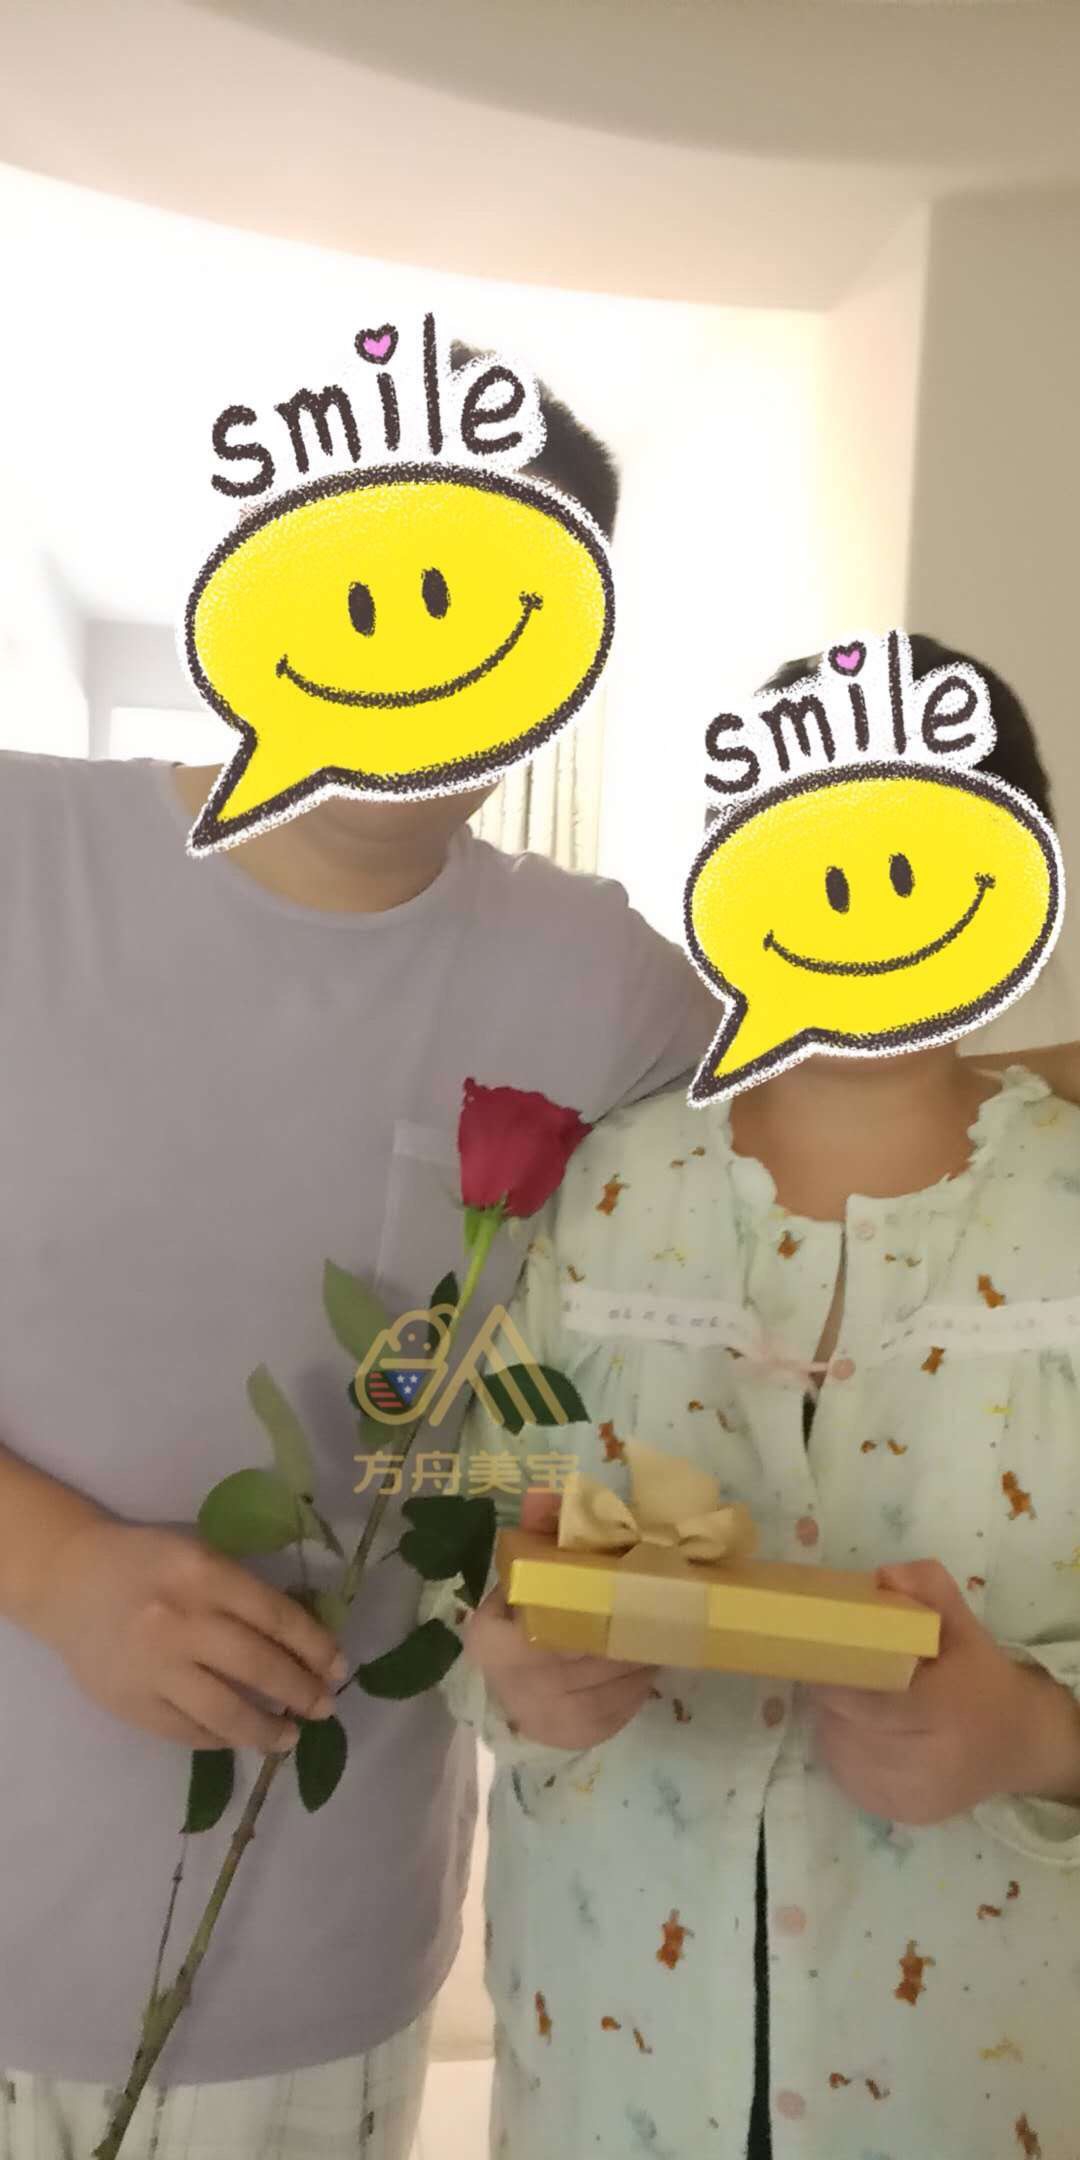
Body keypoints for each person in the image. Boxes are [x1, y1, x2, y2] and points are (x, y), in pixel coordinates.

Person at [0, 372, 720, 2160]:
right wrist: (59, 1569)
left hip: (312, 1978)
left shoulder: (601, 980)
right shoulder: (23, 854)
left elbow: (879, 1113)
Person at [434, 641, 1080, 2160]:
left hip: (977, 2074)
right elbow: (468, 1530)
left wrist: (1036, 1737)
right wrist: (508, 1668)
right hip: (612, 2060)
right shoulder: (601, 1189)